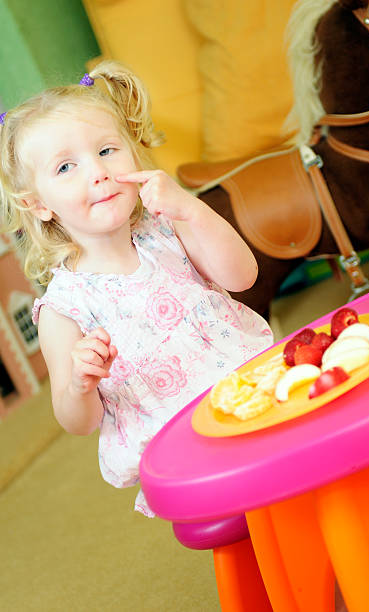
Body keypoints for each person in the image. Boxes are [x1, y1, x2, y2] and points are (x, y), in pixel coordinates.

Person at [0, 60, 273, 516]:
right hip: (185, 452)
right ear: (37, 204)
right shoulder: (64, 309)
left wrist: (191, 208)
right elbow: (77, 422)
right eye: (66, 166)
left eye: (107, 151)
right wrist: (81, 385)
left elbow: (242, 276)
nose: (98, 172)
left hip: (254, 395)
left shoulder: (168, 227)